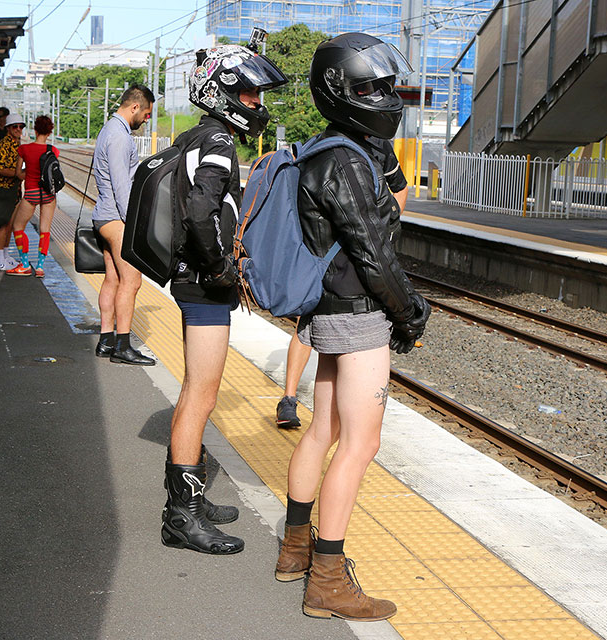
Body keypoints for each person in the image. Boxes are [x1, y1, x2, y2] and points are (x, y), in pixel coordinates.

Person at [274, 33, 430, 622]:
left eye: (386, 86)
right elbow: (374, 255)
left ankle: (295, 550)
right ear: (339, 91)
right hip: (358, 315)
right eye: (369, 87)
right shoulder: (345, 160)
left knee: (322, 431)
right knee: (361, 443)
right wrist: (409, 312)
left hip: (327, 312)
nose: (384, 97)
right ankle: (328, 580)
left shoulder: (327, 148)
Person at [160, 44, 288, 556]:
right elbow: (199, 209)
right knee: (201, 394)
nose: (255, 102)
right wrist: (219, 267)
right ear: (221, 92)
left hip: (190, 279)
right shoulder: (218, 140)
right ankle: (182, 516)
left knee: (196, 389)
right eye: (248, 92)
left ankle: (188, 498)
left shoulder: (196, 134)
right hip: (203, 283)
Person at [275, 136, 410, 429]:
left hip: (353, 261)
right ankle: (288, 396)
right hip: (326, 260)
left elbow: (400, 187)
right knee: (355, 439)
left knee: (325, 429)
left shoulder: (379, 145)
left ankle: (288, 398)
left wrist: (387, 225)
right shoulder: (329, 144)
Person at [91, 85, 157, 365]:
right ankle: (123, 346)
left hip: (104, 215)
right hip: (116, 218)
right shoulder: (120, 137)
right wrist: (134, 226)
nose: (147, 119)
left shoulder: (109, 130)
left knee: (113, 279)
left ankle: (106, 341)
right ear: (134, 108)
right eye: (146, 113)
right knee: (132, 280)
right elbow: (122, 187)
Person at [7, 115, 59, 277]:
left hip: (31, 192)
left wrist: (28, 175)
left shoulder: (24, 149)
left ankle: (24, 264)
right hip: (49, 194)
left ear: (35, 130)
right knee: (45, 230)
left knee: (18, 227)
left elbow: (18, 173)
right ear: (49, 132)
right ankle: (40, 267)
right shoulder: (53, 150)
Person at [0, 114, 25, 271]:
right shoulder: (3, 145)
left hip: (13, 190)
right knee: (3, 225)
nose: (18, 129)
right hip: (3, 189)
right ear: (8, 128)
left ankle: (5, 255)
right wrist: (17, 174)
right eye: (15, 126)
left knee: (9, 224)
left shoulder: (17, 144)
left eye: (21, 126)